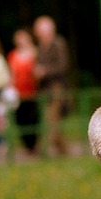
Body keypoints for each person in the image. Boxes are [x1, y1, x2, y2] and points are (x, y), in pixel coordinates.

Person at [33, 15, 70, 155]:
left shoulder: (58, 43)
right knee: (50, 118)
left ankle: (45, 150)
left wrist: (45, 71)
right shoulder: (40, 46)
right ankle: (63, 150)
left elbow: (63, 65)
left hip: (56, 86)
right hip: (44, 88)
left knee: (52, 118)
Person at [7, 28, 39, 155]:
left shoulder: (34, 52)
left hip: (32, 91)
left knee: (33, 118)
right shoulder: (13, 55)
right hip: (18, 93)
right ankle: (27, 146)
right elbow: (12, 74)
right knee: (20, 119)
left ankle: (34, 145)